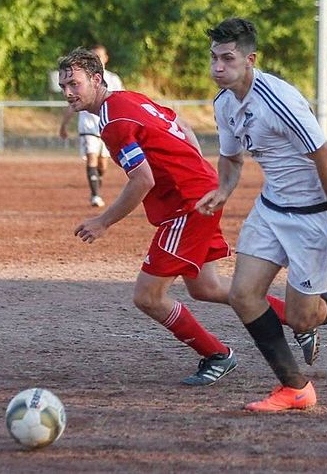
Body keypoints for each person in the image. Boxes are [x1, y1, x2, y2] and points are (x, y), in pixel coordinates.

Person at [59, 47, 301, 386]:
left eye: (74, 83)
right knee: (206, 287)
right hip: (201, 192)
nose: (68, 93)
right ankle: (298, 319)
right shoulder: (129, 99)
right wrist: (196, 170)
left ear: (96, 79)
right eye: (64, 87)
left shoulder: (113, 121)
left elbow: (143, 179)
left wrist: (103, 222)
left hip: (188, 205)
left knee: (148, 296)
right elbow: (182, 125)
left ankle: (218, 354)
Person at [197, 17, 327, 412]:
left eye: (228, 58)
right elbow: (231, 159)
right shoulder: (224, 102)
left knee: (305, 319)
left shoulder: (278, 100)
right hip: (270, 209)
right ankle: (295, 388)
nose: (218, 67)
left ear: (250, 59)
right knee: (243, 295)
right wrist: (223, 189)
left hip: (312, 217)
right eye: (214, 58)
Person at [58, 45, 125, 207]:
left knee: (103, 164)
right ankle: (95, 195)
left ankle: (97, 182)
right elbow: (72, 102)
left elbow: (121, 99)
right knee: (91, 157)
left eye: (101, 56)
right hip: (88, 126)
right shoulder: (82, 77)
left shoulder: (113, 79)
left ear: (106, 58)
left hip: (106, 126)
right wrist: (64, 125)